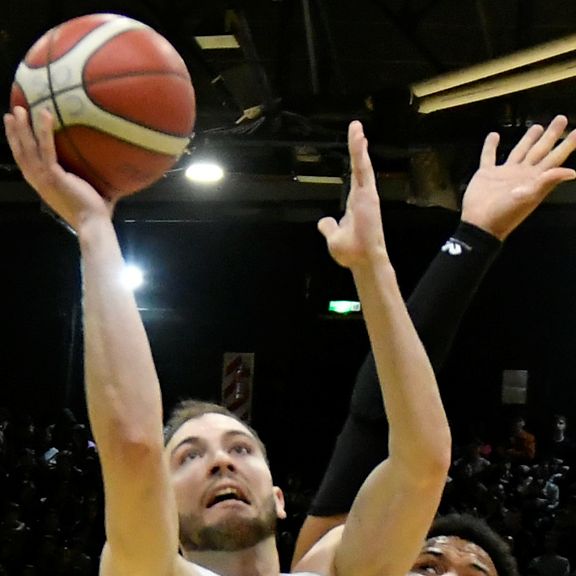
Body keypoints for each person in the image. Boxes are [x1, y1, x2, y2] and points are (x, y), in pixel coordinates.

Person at [5, 107, 452, 576]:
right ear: (165, 512)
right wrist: (95, 228)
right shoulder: (143, 568)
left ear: (278, 497)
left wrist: (373, 266)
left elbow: (423, 462)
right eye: (189, 457)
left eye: (240, 449)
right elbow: (133, 446)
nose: (220, 462)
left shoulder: (335, 569)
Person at [292, 114, 576, 574]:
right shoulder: (340, 561)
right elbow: (376, 419)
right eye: (426, 566)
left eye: (473, 575)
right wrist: (473, 242)